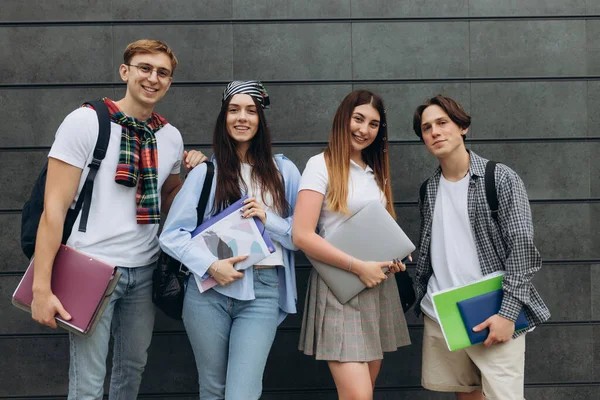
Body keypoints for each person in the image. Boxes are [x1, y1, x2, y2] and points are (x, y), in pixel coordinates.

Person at [30, 39, 205, 399]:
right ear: (125, 71)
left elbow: (169, 199)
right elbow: (54, 210)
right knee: (89, 383)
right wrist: (41, 289)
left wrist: (193, 172)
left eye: (162, 73)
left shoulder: (170, 137)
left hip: (143, 271)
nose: (153, 78)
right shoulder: (86, 122)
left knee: (131, 371)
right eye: (145, 68)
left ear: (169, 82)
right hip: (89, 268)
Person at [159, 81, 301, 400]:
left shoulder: (285, 173)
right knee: (212, 389)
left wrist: (269, 218)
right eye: (234, 110)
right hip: (207, 293)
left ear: (260, 120)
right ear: (223, 118)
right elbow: (171, 236)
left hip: (262, 293)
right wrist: (211, 265)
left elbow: (301, 237)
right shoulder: (205, 173)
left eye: (251, 111)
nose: (242, 117)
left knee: (242, 393)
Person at [412, 94, 550, 400]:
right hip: (442, 312)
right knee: (467, 395)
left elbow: (523, 251)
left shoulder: (499, 178)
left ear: (462, 127)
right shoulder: (429, 188)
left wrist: (508, 314)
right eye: (426, 127)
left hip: (492, 311)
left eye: (442, 123)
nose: (435, 132)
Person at [293, 89, 411, 399]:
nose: (364, 129)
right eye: (358, 119)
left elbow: (381, 229)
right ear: (343, 119)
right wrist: (358, 266)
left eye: (374, 124)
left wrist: (393, 258)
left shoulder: (375, 172)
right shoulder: (320, 165)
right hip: (340, 288)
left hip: (377, 288)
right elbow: (302, 235)